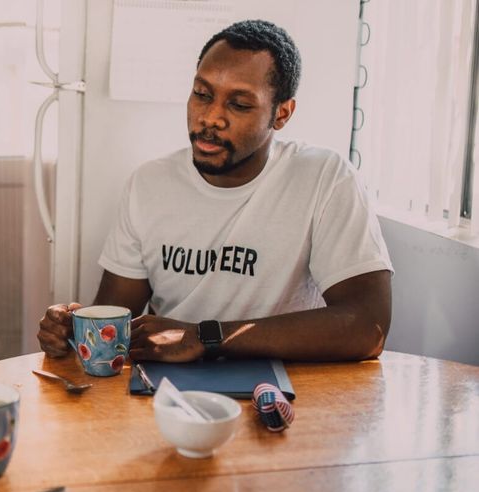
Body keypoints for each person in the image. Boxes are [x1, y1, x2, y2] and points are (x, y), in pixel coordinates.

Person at [38, 19, 392, 363]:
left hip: (283, 387)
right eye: (202, 94)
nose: (210, 117)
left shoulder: (325, 178)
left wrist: (205, 337)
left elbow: (368, 327)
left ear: (282, 114)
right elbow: (117, 318)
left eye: (239, 104)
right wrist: (73, 331)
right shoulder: (148, 184)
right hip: (168, 389)